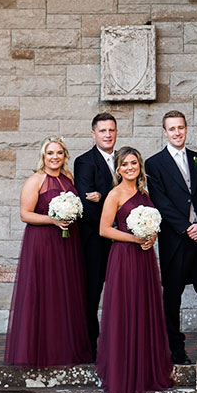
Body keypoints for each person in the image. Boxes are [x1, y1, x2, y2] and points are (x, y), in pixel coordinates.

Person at [4, 137, 92, 367]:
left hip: (67, 243)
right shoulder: (35, 180)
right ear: (43, 156)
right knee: (45, 292)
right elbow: (25, 214)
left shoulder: (68, 177)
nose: (55, 157)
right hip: (42, 243)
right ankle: (42, 350)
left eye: (59, 153)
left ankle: (64, 348)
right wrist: (52, 220)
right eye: (50, 153)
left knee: (65, 293)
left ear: (65, 156)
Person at [95, 147, 173, 393]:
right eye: (125, 164)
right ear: (118, 169)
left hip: (144, 258)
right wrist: (134, 239)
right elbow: (104, 229)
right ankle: (124, 374)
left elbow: (154, 223)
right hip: (124, 258)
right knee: (126, 310)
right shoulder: (115, 194)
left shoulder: (144, 194)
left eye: (134, 163)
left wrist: (152, 236)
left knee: (144, 309)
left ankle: (145, 371)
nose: (130, 167)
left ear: (139, 166)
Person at [144, 110, 197, 365]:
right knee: (172, 296)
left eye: (180, 127)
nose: (177, 132)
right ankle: (176, 349)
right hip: (175, 240)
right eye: (172, 128)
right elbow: (160, 200)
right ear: (165, 132)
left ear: (186, 129)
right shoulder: (154, 163)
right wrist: (186, 227)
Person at [73, 112, 117, 356]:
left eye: (111, 130)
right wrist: (110, 228)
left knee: (121, 292)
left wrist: (102, 195)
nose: (107, 135)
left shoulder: (124, 160)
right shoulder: (85, 162)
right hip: (95, 240)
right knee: (92, 293)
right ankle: (90, 347)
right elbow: (85, 203)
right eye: (102, 131)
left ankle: (118, 343)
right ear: (93, 134)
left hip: (123, 239)